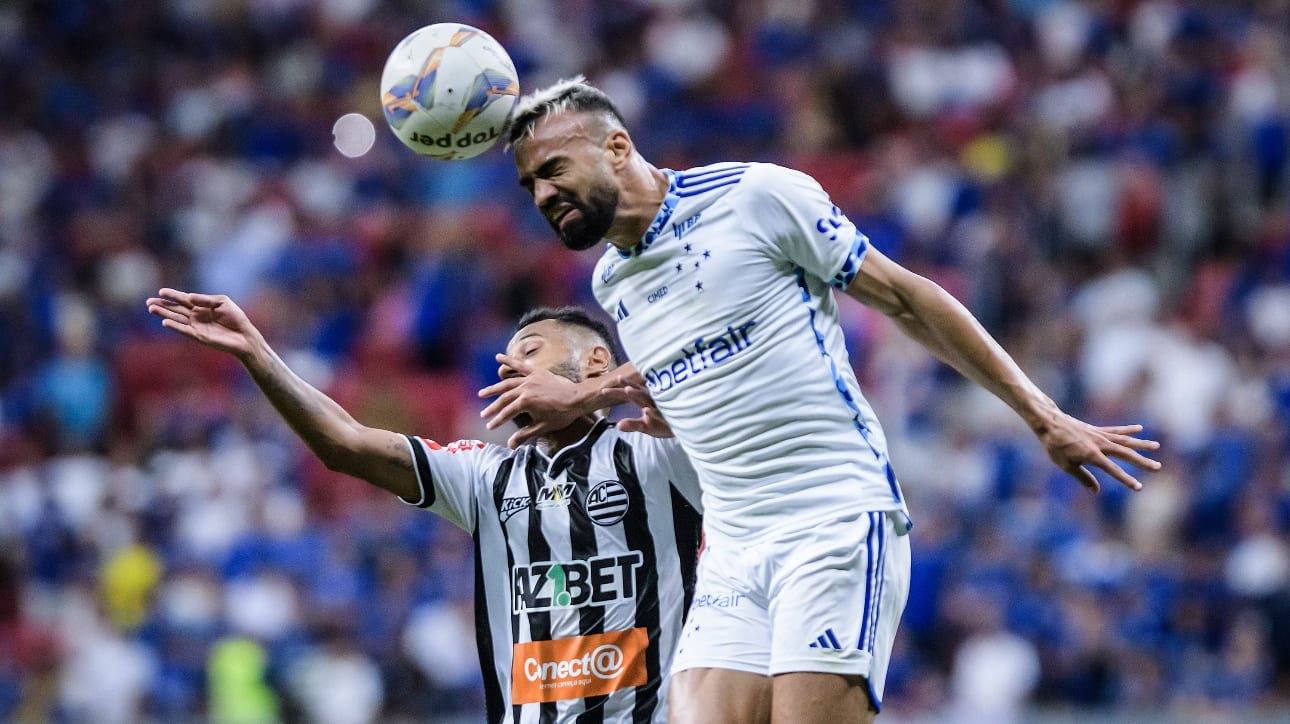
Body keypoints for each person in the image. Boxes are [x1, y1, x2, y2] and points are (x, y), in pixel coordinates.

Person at [477, 78, 1162, 724]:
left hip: (831, 521)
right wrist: (653, 404)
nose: (543, 194)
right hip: (733, 547)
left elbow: (906, 298)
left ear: (617, 146)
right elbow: (705, 356)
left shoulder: (753, 198)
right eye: (530, 184)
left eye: (554, 169)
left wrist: (1044, 416)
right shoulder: (612, 280)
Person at [145, 289, 703, 724]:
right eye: (506, 359)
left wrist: (589, 395)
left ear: (597, 361)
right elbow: (345, 443)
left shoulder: (658, 452)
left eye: (530, 351)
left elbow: (727, 366)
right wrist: (256, 353)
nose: (510, 365)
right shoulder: (487, 474)